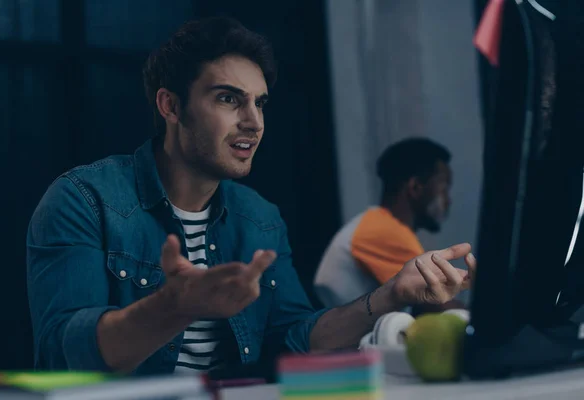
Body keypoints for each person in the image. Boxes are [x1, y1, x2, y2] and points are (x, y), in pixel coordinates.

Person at [26, 17, 476, 377]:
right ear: (171, 106)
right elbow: (66, 353)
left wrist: (393, 293)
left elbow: (296, 338)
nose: (253, 122)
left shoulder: (259, 218)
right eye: (228, 99)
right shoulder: (83, 198)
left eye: (259, 103)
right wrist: (175, 306)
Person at [314, 138, 464, 308]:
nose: (449, 200)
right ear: (415, 188)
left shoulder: (378, 224)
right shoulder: (384, 231)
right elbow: (439, 303)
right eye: (444, 189)